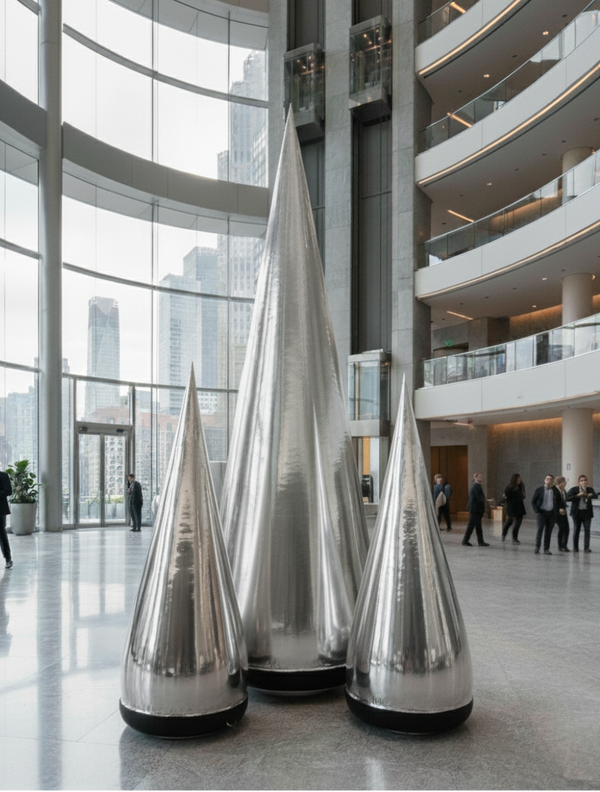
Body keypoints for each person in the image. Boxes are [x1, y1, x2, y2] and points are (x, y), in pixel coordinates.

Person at [566, 475, 597, 553]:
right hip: (577, 513)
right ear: (579, 482)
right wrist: (577, 496)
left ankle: (586, 547)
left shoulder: (590, 489)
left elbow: (595, 495)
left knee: (587, 530)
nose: (584, 482)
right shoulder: (574, 489)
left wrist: (591, 495)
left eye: (585, 480)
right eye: (582, 480)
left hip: (586, 513)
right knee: (576, 530)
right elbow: (567, 498)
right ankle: (575, 547)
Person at [531, 474, 560, 555]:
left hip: (551, 513)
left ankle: (546, 548)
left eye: (551, 479)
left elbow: (559, 501)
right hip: (541, 513)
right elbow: (533, 501)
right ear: (545, 480)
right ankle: (537, 547)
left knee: (548, 531)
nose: (549, 481)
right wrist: (537, 511)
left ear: (553, 481)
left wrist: (559, 509)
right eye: (547, 479)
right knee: (540, 529)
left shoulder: (555, 491)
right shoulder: (539, 490)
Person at [462, 472, 489, 547]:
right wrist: (485, 500)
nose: (481, 478)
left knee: (477, 526)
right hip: (476, 509)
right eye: (479, 477)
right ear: (475, 477)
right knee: (472, 526)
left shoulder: (476, 485)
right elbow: (479, 498)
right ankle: (466, 540)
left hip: (475, 509)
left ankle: (480, 541)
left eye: (481, 476)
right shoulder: (476, 486)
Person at [501, 473, 526, 544]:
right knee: (509, 521)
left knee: (517, 523)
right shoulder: (509, 487)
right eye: (517, 479)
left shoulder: (521, 486)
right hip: (511, 507)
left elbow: (523, 494)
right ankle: (504, 534)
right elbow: (506, 496)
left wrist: (522, 496)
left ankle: (514, 538)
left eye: (519, 479)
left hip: (519, 507)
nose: (519, 480)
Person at [0, 469, 13, 569]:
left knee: (2, 534)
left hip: (0, 509)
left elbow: (8, 491)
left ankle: (8, 558)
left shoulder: (3, 475)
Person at [554, 476, 569, 552]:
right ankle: (561, 545)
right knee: (562, 528)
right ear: (560, 483)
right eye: (564, 482)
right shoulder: (555, 491)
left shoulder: (563, 491)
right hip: (557, 512)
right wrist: (559, 509)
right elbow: (554, 502)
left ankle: (564, 545)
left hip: (564, 512)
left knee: (566, 528)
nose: (565, 483)